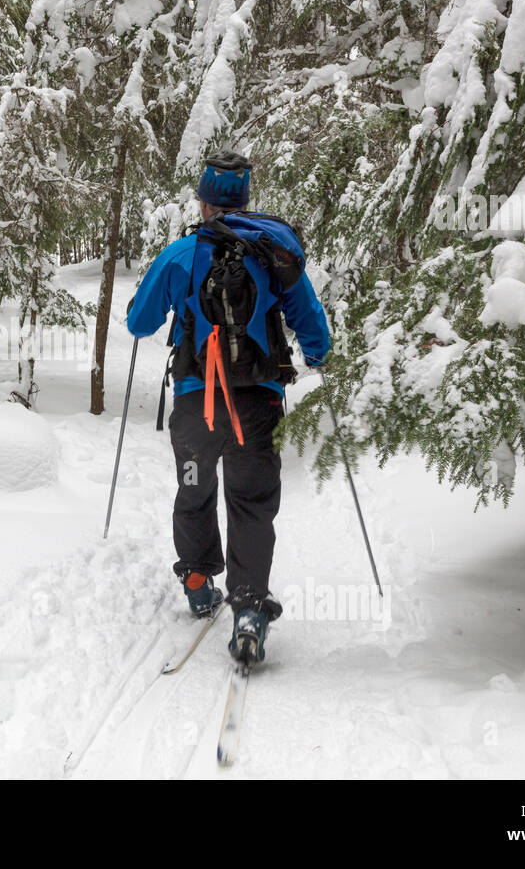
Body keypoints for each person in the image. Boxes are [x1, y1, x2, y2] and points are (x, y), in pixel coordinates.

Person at [126, 151, 331, 665]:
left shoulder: (180, 255)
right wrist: (318, 355)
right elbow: (312, 326)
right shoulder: (271, 254)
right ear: (243, 200)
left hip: (197, 404)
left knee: (195, 488)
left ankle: (198, 581)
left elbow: (138, 323)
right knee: (251, 502)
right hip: (256, 402)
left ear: (203, 201)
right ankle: (248, 611)